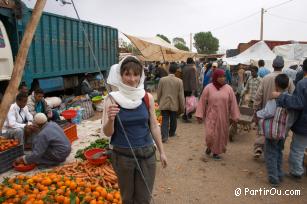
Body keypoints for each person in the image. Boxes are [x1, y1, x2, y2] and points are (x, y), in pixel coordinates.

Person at [103, 56, 167, 204]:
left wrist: (162, 152)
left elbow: (154, 125)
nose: (132, 79)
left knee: (144, 198)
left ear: (141, 75)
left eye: (136, 74)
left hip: (147, 154)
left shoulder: (147, 97)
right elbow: (108, 133)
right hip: (122, 156)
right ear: (121, 75)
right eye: (127, 74)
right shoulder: (112, 99)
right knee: (127, 198)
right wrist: (111, 119)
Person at [253, 56, 295, 158]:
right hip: (281, 114)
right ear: (283, 66)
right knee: (278, 133)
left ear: (272, 65)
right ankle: (275, 151)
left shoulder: (266, 78)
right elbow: (293, 95)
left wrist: (256, 109)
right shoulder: (288, 80)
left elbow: (258, 95)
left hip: (266, 111)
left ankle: (259, 148)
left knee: (263, 130)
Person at [272, 58, 307, 180]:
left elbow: (298, 103)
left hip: (304, 124)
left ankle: (296, 173)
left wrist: (281, 96)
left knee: (298, 148)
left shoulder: (303, 83)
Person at [195, 69, 240, 160]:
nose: (222, 78)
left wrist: (234, 116)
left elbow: (233, 103)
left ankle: (216, 152)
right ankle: (209, 146)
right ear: (215, 77)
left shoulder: (229, 89)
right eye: (220, 77)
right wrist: (199, 115)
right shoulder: (208, 88)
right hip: (211, 115)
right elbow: (202, 102)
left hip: (223, 117)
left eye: (224, 76)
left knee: (220, 135)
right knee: (210, 135)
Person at [257, 74, 289, 186]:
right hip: (282, 131)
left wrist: (258, 113)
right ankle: (279, 175)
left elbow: (269, 112)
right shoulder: (288, 98)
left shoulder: (274, 98)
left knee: (270, 154)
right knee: (279, 153)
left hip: (272, 132)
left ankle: (273, 179)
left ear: (276, 84)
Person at [157, 63, 185, 142]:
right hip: (174, 104)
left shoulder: (162, 80)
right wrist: (182, 107)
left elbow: (159, 93)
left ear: (168, 70)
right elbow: (181, 96)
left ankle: (164, 136)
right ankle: (172, 133)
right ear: (176, 71)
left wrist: (159, 102)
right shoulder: (179, 81)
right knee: (173, 119)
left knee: (165, 120)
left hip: (164, 103)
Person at [182, 57, 197, 122]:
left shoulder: (184, 68)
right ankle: (186, 115)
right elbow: (192, 80)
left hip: (184, 87)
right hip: (189, 88)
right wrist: (193, 89)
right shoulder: (192, 68)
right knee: (189, 102)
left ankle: (187, 114)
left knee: (186, 102)